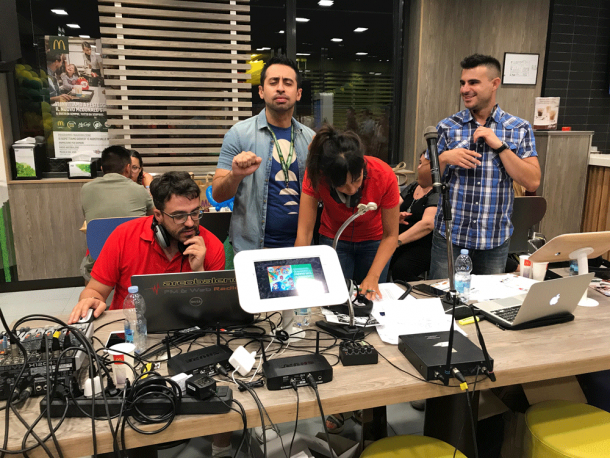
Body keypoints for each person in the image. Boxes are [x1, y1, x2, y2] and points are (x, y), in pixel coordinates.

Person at [70, 171, 230, 456]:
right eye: (179, 216)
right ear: (157, 214)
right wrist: (89, 302)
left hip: (189, 342)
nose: (190, 223)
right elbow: (94, 291)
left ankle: (221, 448)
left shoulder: (210, 246)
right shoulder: (124, 237)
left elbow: (215, 316)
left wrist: (200, 271)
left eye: (196, 213)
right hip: (132, 341)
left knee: (228, 387)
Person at [418, 54, 541, 279]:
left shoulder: (518, 128)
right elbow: (423, 179)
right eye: (462, 83)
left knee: (488, 299)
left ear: (495, 84)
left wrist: (500, 147)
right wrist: (444, 158)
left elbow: (532, 181)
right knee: (443, 296)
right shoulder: (447, 127)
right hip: (451, 239)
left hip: (494, 241)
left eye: (473, 82)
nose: (465, 89)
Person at [212, 55, 315, 252]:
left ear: (298, 93)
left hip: (300, 247)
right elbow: (218, 194)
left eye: (288, 83)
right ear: (261, 91)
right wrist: (235, 175)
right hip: (253, 249)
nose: (280, 88)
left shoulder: (311, 139)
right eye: (273, 82)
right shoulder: (239, 134)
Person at [295, 124, 399, 301]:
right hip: (333, 239)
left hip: (374, 243)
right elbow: (304, 232)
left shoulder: (383, 174)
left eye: (357, 180)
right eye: (342, 186)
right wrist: (299, 272)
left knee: (370, 299)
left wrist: (373, 277)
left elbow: (391, 236)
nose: (351, 190)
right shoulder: (316, 176)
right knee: (333, 300)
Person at [80, 145, 154, 281]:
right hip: (135, 258)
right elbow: (153, 217)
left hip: (99, 259)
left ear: (102, 169)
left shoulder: (86, 189)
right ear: (127, 168)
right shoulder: (139, 190)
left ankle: (94, 291)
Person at [390, 151, 439, 282]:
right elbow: (394, 206)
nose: (418, 167)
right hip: (401, 241)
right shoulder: (414, 186)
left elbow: (427, 225)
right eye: (419, 163)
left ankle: (421, 290)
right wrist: (395, 215)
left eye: (422, 164)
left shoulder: (437, 191)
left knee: (401, 269)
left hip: (422, 245)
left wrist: (396, 242)